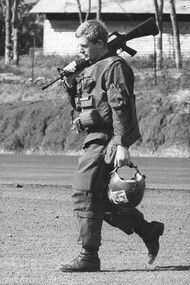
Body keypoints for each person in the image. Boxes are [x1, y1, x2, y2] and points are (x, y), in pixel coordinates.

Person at [58, 19, 164, 272]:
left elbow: (121, 107)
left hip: (106, 140)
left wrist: (121, 143)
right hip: (93, 139)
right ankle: (148, 230)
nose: (80, 49)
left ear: (99, 43)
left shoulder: (114, 66)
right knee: (100, 201)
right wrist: (71, 82)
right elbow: (84, 105)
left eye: (84, 45)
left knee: (83, 193)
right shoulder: (91, 68)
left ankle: (89, 256)